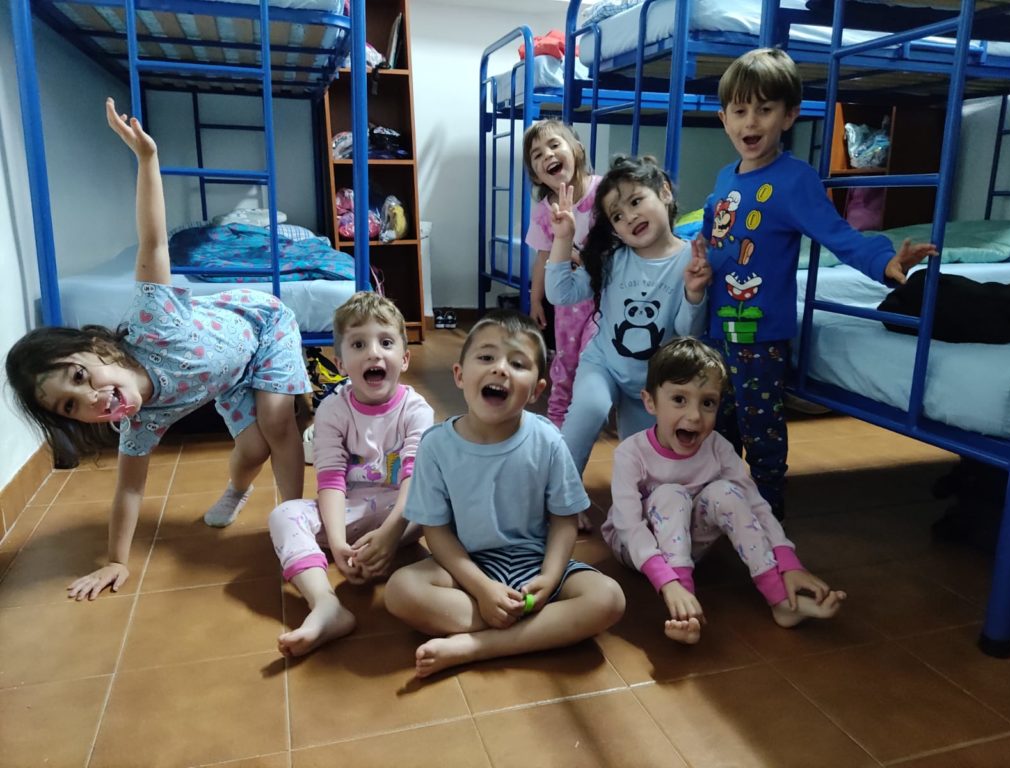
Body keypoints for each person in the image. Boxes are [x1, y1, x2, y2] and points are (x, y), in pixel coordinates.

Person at [4, 99, 310, 600]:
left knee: (278, 424)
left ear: (100, 348)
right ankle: (237, 490)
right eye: (71, 407)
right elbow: (129, 489)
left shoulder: (153, 321)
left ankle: (295, 524)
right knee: (253, 450)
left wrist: (148, 160)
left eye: (80, 378)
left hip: (262, 326)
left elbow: (153, 244)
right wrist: (115, 561)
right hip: (226, 376)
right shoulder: (139, 422)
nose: (92, 399)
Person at [702, 47, 937, 519]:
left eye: (765, 109)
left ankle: (767, 509)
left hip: (761, 332)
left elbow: (837, 234)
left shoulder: (795, 180)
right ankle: (720, 500)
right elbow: (713, 236)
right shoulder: (726, 176)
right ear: (724, 118)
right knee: (718, 420)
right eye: (740, 111)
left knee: (760, 424)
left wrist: (884, 260)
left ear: (789, 115)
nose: (751, 122)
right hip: (716, 324)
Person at [384, 311, 625, 678]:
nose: (500, 369)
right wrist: (481, 588)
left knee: (609, 599)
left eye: (517, 363)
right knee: (400, 590)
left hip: (536, 564)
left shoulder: (547, 439)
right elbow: (437, 531)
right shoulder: (435, 446)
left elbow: (564, 520)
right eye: (486, 357)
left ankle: (477, 646)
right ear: (459, 375)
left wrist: (550, 576)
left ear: (536, 390)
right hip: (469, 566)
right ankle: (538, 630)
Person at [603, 337, 846, 645]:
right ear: (650, 402)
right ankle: (685, 610)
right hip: (635, 549)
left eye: (707, 403)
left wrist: (789, 562)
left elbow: (755, 505)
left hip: (689, 543)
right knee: (670, 494)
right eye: (679, 399)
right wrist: (669, 582)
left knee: (727, 492)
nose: (695, 416)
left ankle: (782, 601)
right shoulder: (631, 453)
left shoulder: (718, 447)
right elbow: (629, 527)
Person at [268, 292, 434, 657]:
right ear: (341, 363)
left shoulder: (417, 410)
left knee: (447, 498)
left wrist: (391, 533)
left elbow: (416, 479)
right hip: (349, 513)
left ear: (404, 358)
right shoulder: (332, 409)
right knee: (283, 514)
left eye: (386, 343)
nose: (374, 353)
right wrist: (339, 545)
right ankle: (325, 604)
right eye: (359, 344)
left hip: (404, 514)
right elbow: (330, 479)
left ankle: (434, 570)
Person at [545, 155, 710, 475]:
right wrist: (563, 238)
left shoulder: (690, 259)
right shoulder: (612, 258)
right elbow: (560, 293)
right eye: (617, 216)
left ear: (664, 191)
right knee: (589, 412)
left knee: (645, 466)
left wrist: (694, 293)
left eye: (636, 201)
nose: (630, 217)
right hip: (603, 364)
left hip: (654, 381)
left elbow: (687, 332)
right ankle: (558, 494)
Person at [523, 119, 601, 429]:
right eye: (537, 155)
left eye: (555, 145)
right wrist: (535, 299)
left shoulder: (603, 191)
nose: (547, 155)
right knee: (565, 362)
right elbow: (543, 255)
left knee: (593, 356)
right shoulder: (545, 210)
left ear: (577, 150)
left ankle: (589, 411)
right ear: (535, 174)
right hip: (569, 300)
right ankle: (556, 422)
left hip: (606, 296)